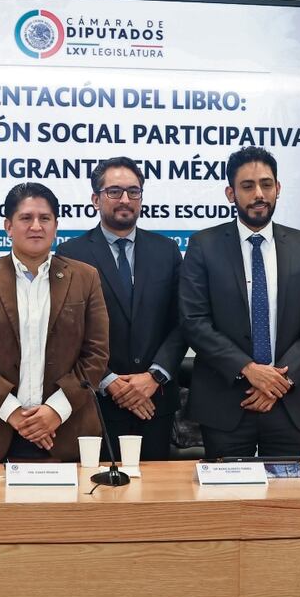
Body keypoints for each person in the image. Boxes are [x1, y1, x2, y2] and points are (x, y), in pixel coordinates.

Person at [179, 146, 300, 459]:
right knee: (228, 504)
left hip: (289, 402)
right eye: (248, 186)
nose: (259, 193)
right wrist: (249, 370)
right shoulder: (203, 245)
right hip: (225, 403)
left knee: (295, 503)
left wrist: (279, 380)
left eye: (266, 184)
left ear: (278, 188)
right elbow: (194, 321)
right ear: (230, 193)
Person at [0, 182, 108, 462]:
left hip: (66, 432)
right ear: (8, 226)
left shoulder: (85, 278)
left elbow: (96, 354)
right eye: (26, 218)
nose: (36, 226)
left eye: (45, 218)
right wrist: (13, 412)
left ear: (56, 225)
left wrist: (55, 411)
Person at [57, 157, 187, 461]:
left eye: (134, 191)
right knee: (98, 496)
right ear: (95, 199)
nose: (125, 200)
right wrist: (110, 381)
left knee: (154, 497)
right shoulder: (71, 253)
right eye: (114, 192)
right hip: (96, 401)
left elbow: (184, 322)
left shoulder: (166, 250)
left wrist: (154, 377)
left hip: (155, 401)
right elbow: (68, 331)